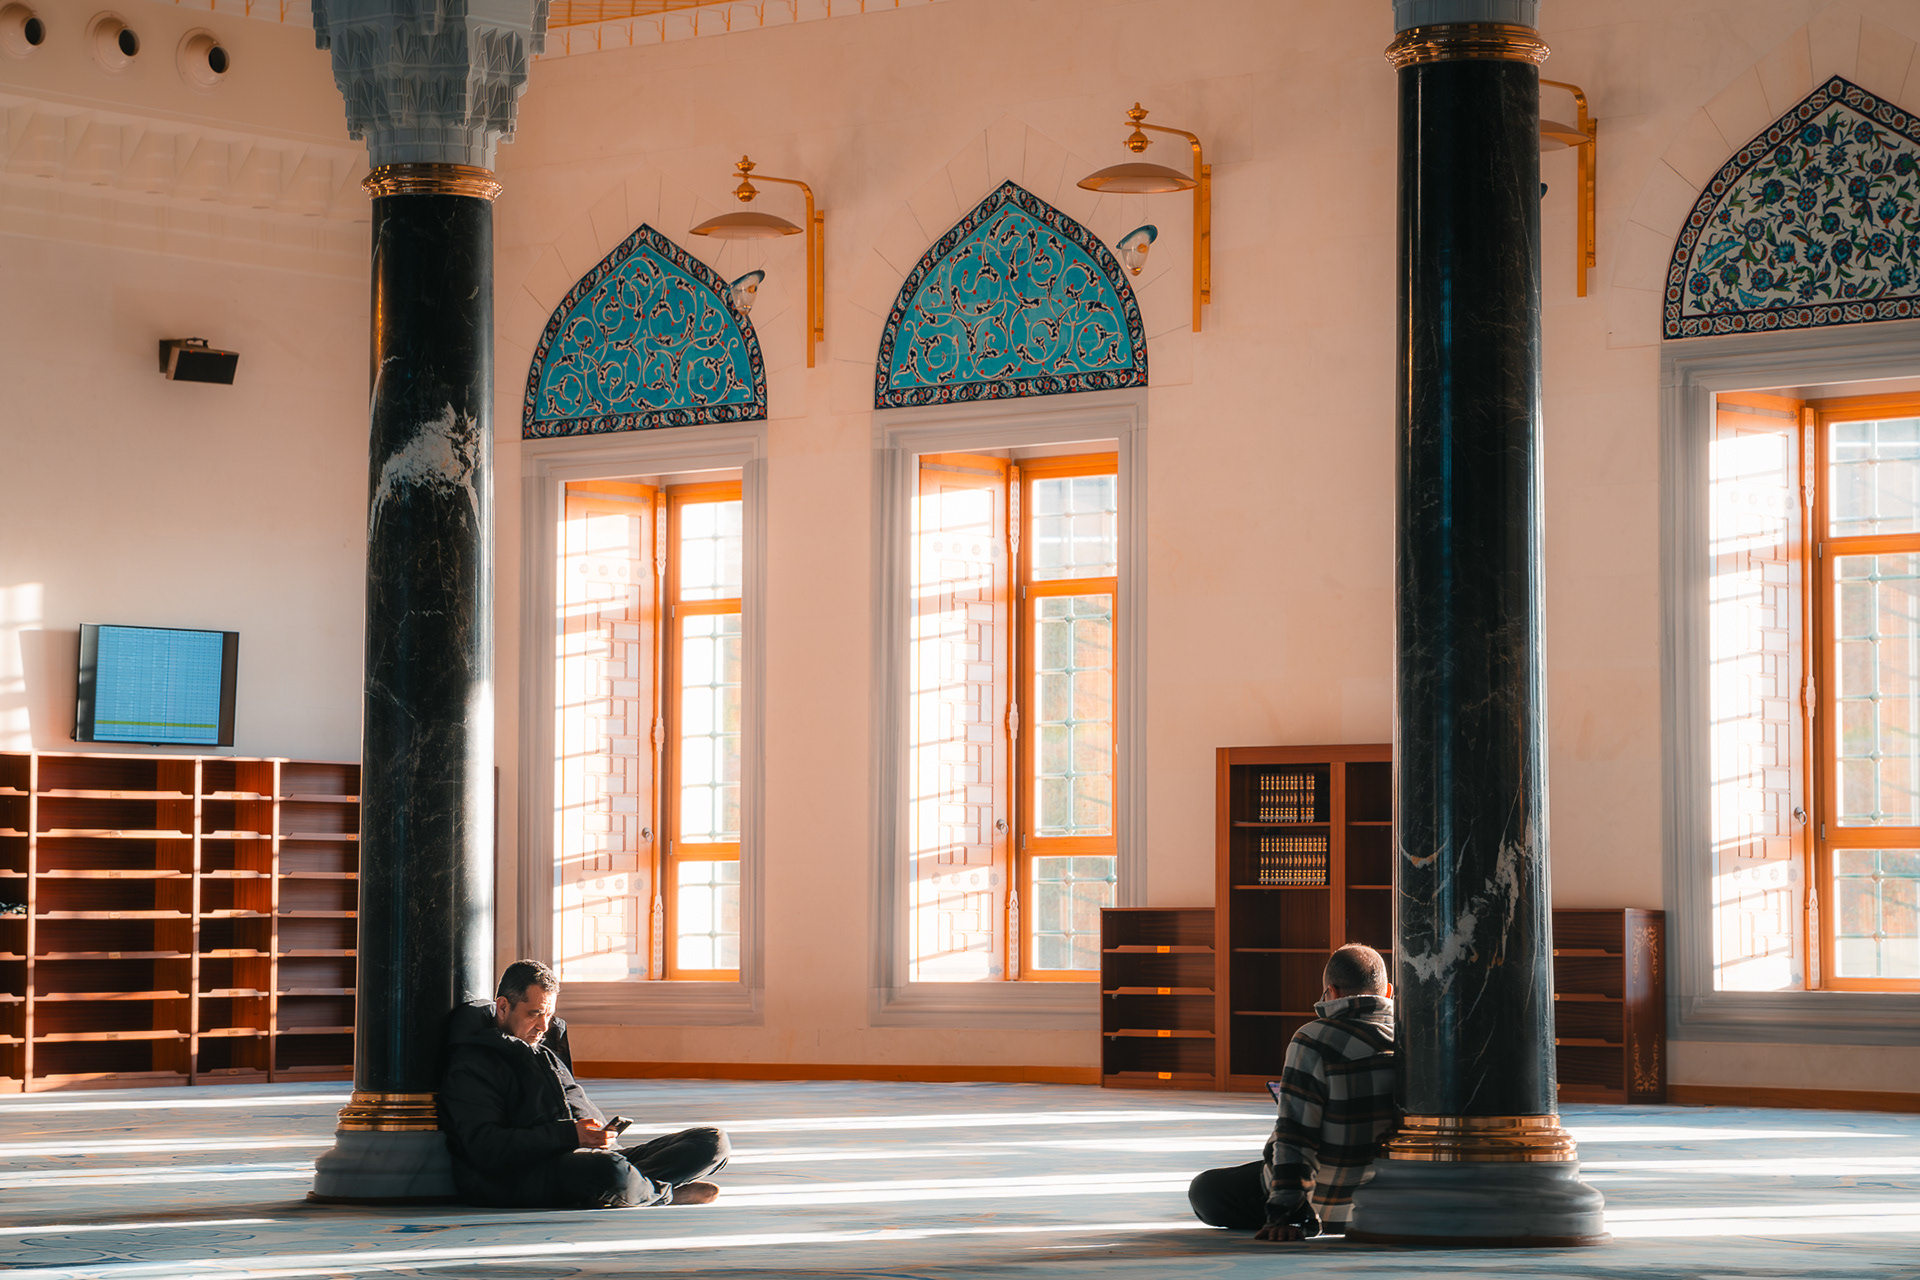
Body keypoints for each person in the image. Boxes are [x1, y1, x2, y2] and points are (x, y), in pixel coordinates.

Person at [439, 959, 731, 1209]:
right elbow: (485, 1147)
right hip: (522, 1174)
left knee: (713, 1142)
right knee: (608, 1172)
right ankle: (661, 1194)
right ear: (503, 1007)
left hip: (585, 1157)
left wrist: (599, 1135)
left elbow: (578, 1107)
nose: (543, 1027)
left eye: (549, 1015)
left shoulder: (542, 1052)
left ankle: (637, 1188)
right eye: (534, 1014)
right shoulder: (473, 1063)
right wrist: (570, 1137)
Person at [1187, 943, 1396, 1241]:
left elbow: (1296, 1134)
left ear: (1332, 992)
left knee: (1206, 1189)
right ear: (1387, 991)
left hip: (1324, 1206)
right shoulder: (1413, 1036)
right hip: (1387, 1205)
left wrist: (1286, 1214)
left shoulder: (1314, 1039)